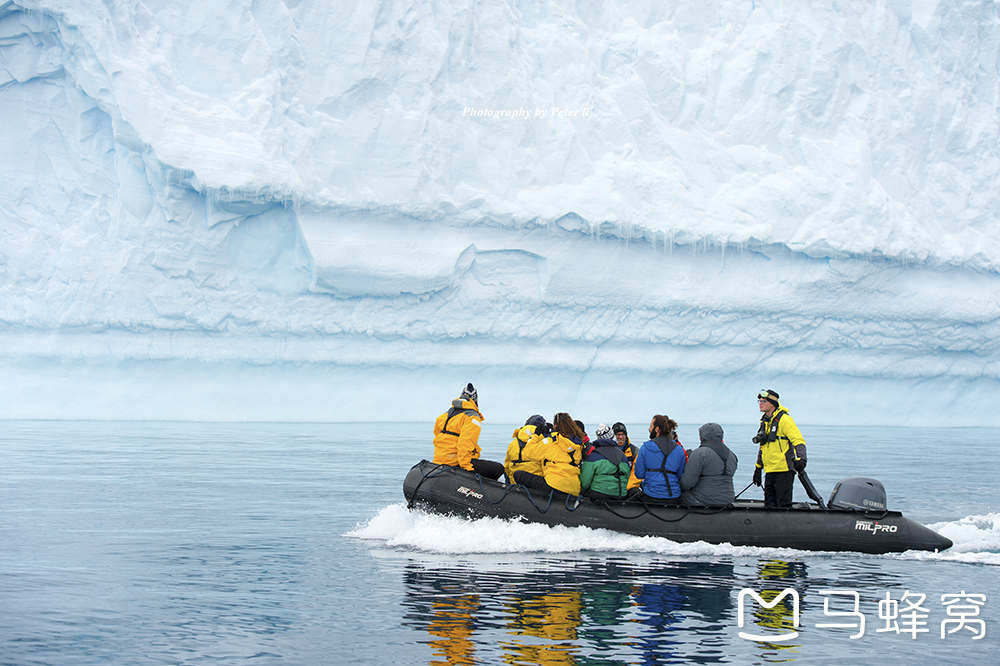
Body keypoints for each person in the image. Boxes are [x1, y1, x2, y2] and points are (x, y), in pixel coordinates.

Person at [432, 383, 503, 479]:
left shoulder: (443, 416)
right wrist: (466, 468)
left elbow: (437, 439)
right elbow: (465, 444)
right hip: (456, 462)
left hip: (439, 461)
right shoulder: (472, 417)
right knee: (498, 469)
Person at [752, 389, 807, 508]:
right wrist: (758, 468)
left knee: (783, 505)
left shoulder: (784, 420)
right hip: (770, 470)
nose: (760, 403)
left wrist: (801, 459)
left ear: (772, 403)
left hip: (784, 471)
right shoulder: (764, 422)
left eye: (763, 401)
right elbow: (763, 447)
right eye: (759, 401)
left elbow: (798, 440)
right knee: (769, 505)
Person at [512, 412, 584, 495]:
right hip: (574, 488)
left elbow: (529, 452)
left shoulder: (551, 442)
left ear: (556, 425)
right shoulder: (578, 444)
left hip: (554, 485)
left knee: (518, 475)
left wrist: (535, 435)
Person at [679, 422, 738, 506]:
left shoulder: (700, 453)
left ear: (702, 438)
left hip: (703, 500)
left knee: (677, 494)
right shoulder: (732, 455)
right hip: (728, 499)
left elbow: (687, 483)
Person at [632, 414, 686, 503]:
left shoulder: (645, 447)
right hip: (673, 497)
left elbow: (639, 474)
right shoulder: (679, 450)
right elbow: (680, 475)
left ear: (657, 429)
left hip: (651, 495)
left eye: (651, 426)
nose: (649, 429)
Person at [579, 424, 631, 500]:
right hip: (620, 495)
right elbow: (627, 476)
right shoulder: (623, 457)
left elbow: (584, 481)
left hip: (599, 494)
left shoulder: (594, 456)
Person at [504, 415, 547, 483]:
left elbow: (507, 466)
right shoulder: (544, 441)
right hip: (535, 484)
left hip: (515, 483)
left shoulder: (513, 443)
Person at [612, 422, 642, 493]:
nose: (621, 437)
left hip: (629, 486)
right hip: (612, 485)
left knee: (636, 492)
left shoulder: (635, 451)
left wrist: (626, 487)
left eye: (623, 434)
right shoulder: (609, 450)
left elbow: (636, 474)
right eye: (618, 435)